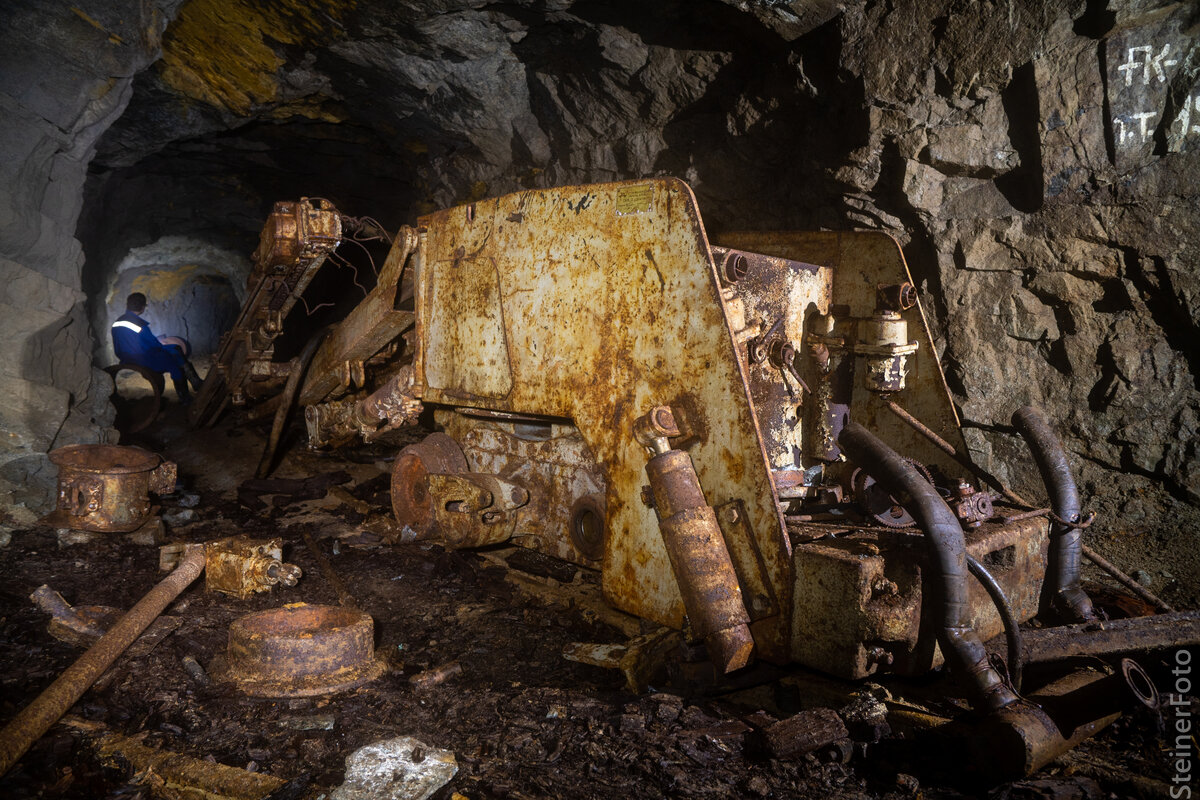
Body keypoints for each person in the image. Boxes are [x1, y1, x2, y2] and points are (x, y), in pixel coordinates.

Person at [111, 292, 203, 404]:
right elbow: (153, 346)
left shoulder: (117, 323)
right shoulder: (140, 325)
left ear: (128, 305)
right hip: (143, 359)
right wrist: (162, 345)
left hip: (125, 357)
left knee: (174, 349)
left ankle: (196, 382)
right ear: (142, 307)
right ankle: (186, 396)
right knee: (175, 362)